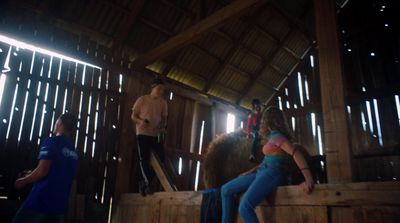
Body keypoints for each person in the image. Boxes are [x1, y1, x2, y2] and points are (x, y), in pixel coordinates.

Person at [221, 107, 314, 223]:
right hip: (262, 171)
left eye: (266, 119)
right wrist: (249, 172)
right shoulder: (271, 137)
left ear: (269, 120)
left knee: (244, 207)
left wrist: (308, 179)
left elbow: (296, 153)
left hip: (273, 173)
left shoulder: (278, 137)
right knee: (225, 190)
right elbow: (267, 160)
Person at [12, 114, 78, 223]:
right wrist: (32, 173)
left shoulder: (51, 142)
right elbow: (58, 172)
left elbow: (42, 171)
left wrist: (23, 180)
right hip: (59, 206)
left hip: (40, 202)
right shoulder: (73, 150)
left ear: (59, 124)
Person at [131, 78, 168, 196]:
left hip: (156, 134)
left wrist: (162, 127)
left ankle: (143, 182)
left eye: (163, 89)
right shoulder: (142, 100)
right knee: (144, 159)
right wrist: (141, 121)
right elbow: (133, 116)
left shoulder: (163, 103)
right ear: (153, 87)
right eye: (159, 88)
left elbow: (164, 118)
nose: (161, 91)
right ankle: (147, 184)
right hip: (142, 133)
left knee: (161, 159)